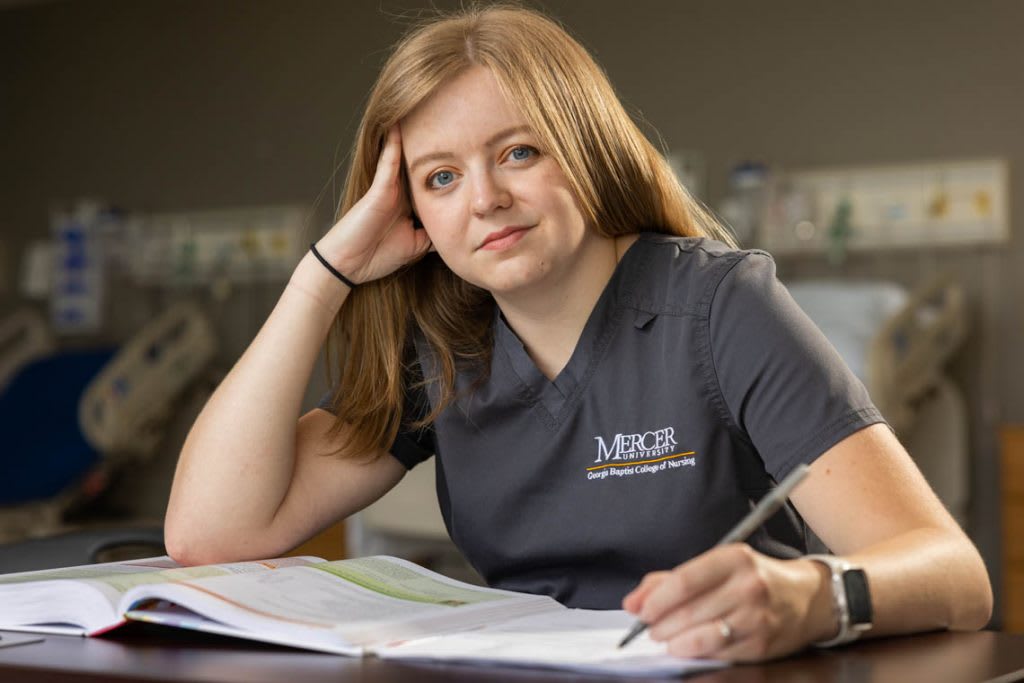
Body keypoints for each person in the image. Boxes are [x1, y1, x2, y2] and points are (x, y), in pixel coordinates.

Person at [164, 4, 992, 662]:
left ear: (586, 147)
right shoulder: (444, 351)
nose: (483, 199)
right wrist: (323, 276)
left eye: (517, 152)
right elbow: (211, 534)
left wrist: (809, 596)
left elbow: (954, 575)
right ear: (410, 210)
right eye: (441, 177)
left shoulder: (718, 308)